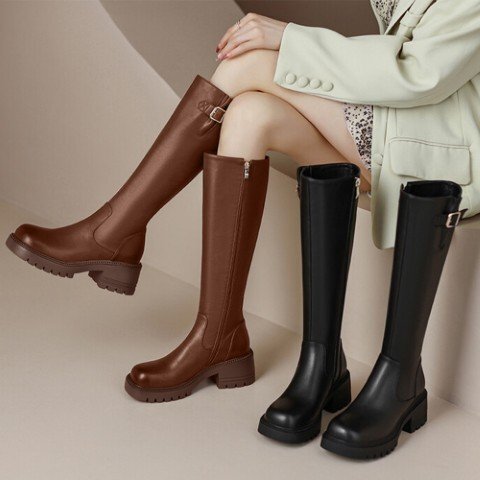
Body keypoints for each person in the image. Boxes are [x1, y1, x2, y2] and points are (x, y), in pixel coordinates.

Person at [5, 0, 478, 456]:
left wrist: (288, 38)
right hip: (399, 125)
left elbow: (420, 74)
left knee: (246, 64)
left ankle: (115, 231)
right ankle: (218, 334)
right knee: (248, 116)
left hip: (438, 146)